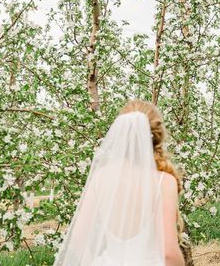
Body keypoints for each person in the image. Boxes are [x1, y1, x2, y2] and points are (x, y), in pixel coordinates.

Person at [53, 100, 185, 266]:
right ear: (156, 135)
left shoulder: (100, 178)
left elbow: (78, 240)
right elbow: (169, 254)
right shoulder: (163, 182)